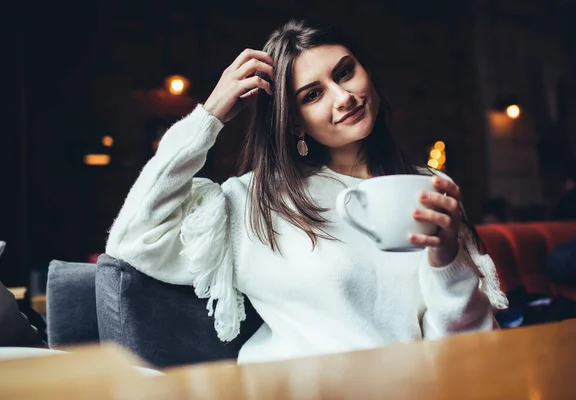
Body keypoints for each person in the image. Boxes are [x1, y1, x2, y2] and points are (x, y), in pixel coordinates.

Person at [106, 20, 507, 364]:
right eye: (312, 95)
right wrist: (209, 117)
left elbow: (468, 349)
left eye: (345, 72)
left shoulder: (428, 189)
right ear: (295, 123)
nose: (343, 97)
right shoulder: (253, 203)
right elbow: (131, 240)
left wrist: (446, 261)